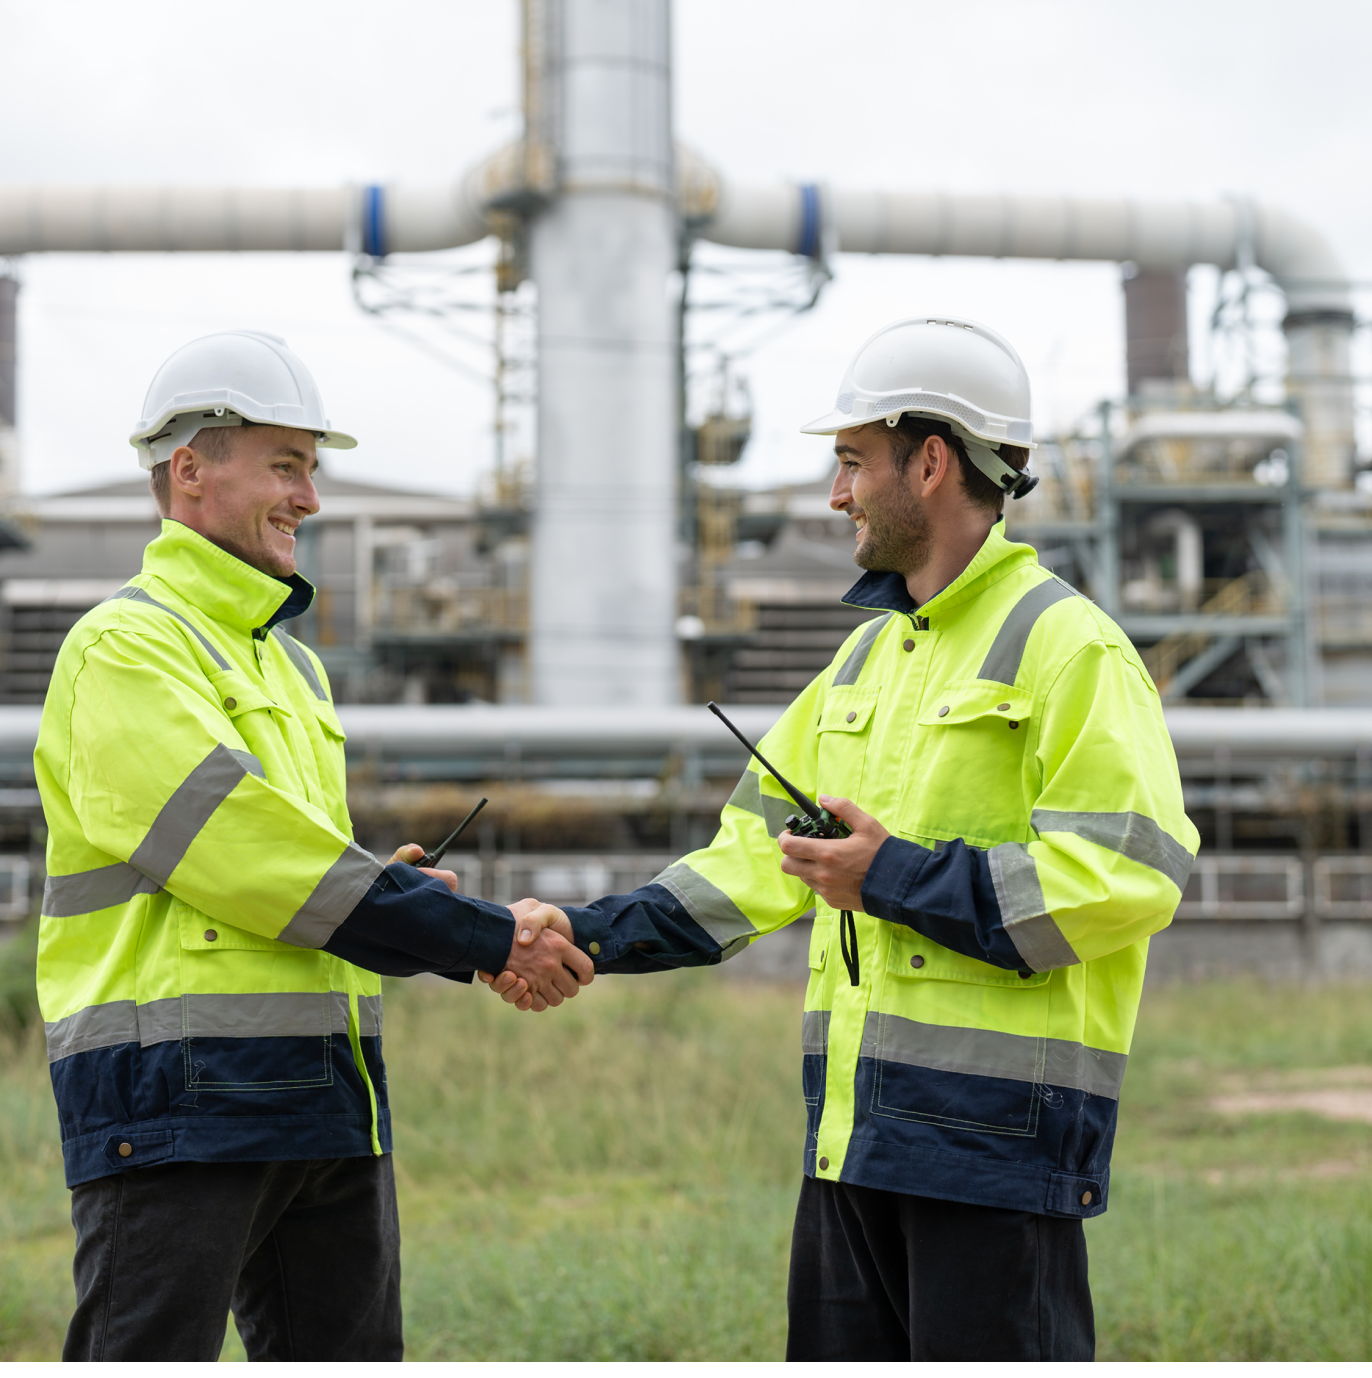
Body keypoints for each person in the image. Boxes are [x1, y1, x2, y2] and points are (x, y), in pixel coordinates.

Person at [483, 317, 1199, 1371]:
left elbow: (1128, 876)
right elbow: (749, 860)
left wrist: (893, 876)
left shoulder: (1069, 646)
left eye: (851, 461)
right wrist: (581, 932)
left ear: (932, 460)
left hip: (996, 1148)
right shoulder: (864, 661)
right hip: (854, 1139)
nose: (835, 494)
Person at [35, 330, 591, 1363]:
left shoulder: (293, 667)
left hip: (324, 1090)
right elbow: (246, 854)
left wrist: (389, 889)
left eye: (313, 468)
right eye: (286, 465)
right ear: (191, 470)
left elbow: (296, 876)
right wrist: (467, 931)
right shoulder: (127, 646)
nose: (312, 498)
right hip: (175, 1095)